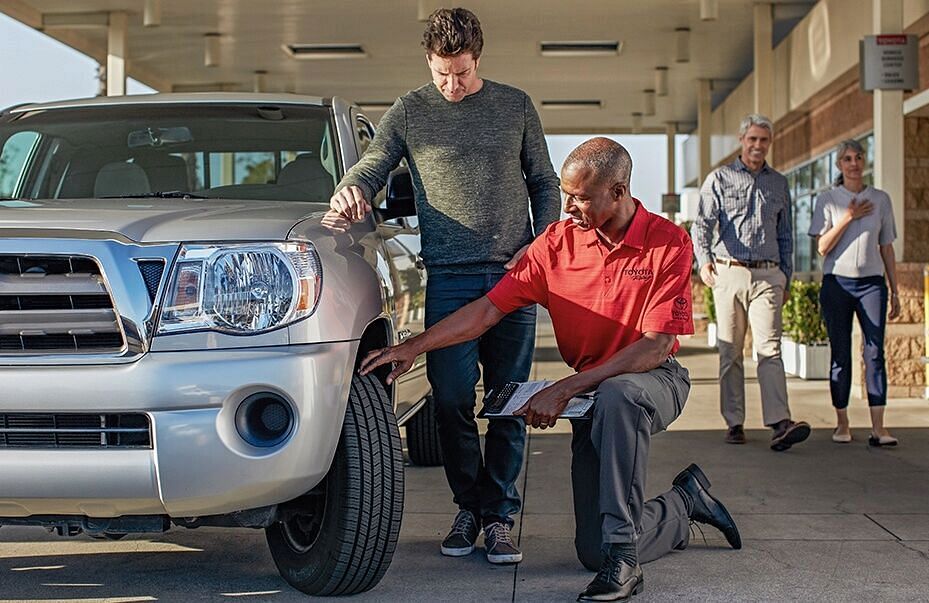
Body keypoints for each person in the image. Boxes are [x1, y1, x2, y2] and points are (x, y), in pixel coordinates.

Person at [359, 138, 742, 602]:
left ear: (618, 192)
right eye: (565, 193)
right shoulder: (556, 245)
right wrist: (414, 346)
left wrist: (564, 390)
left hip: (653, 380)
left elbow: (655, 346)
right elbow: (486, 310)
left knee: (621, 395)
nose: (568, 206)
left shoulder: (667, 242)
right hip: (591, 393)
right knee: (590, 551)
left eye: (580, 196)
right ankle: (683, 504)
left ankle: (626, 561)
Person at [329, 8, 561, 564]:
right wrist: (348, 188)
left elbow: (544, 181)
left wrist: (545, 239)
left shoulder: (514, 105)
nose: (451, 85)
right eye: (441, 74)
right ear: (429, 63)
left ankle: (500, 516)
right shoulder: (410, 110)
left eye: (459, 73)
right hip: (451, 277)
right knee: (451, 399)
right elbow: (373, 165)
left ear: (476, 58)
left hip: (513, 275)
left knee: (509, 402)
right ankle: (468, 507)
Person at [691, 113, 811, 451]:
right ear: (742, 141)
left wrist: (785, 275)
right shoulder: (720, 178)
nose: (758, 146)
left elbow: (786, 234)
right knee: (730, 351)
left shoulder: (779, 184)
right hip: (729, 272)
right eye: (753, 139)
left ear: (769, 143)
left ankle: (779, 422)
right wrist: (704, 263)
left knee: (770, 348)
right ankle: (735, 420)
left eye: (764, 140)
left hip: (768, 275)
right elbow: (701, 226)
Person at [809, 139, 900, 447]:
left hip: (872, 283)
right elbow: (822, 247)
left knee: (875, 352)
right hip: (837, 283)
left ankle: (879, 428)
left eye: (858, 157)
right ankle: (842, 422)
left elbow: (886, 247)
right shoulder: (828, 199)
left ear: (864, 161)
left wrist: (896, 290)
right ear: (839, 165)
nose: (853, 163)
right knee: (841, 354)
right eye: (847, 159)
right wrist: (849, 216)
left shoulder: (881, 199)